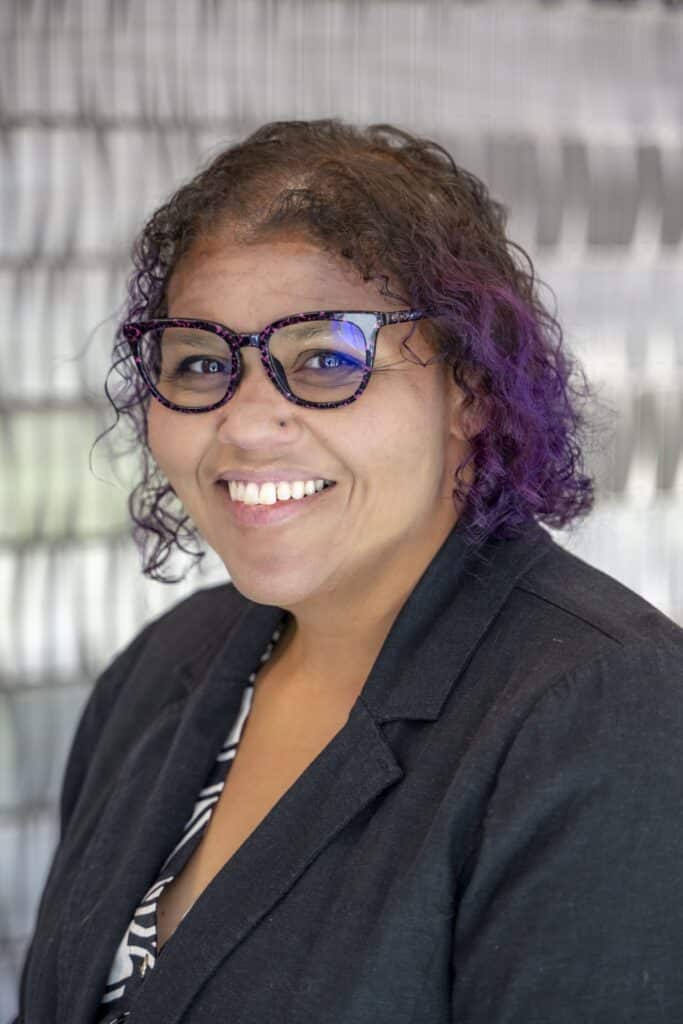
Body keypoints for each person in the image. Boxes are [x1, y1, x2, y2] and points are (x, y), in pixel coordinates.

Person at [14, 118, 683, 1024]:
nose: (246, 424)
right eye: (203, 362)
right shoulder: (165, 668)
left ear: (470, 391)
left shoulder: (608, 707)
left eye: (327, 359)